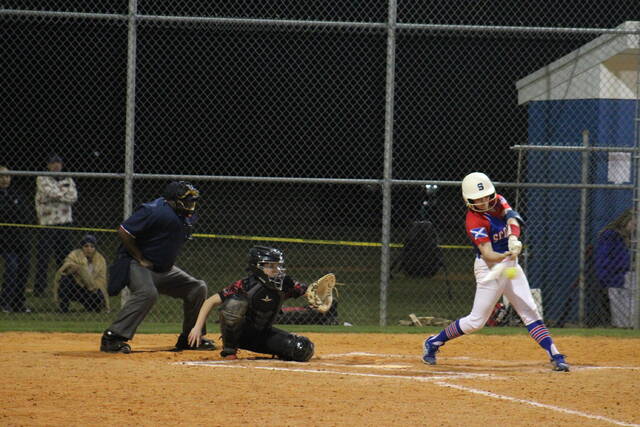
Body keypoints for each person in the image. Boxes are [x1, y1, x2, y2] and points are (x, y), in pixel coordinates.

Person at [422, 172, 570, 372]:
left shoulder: (498, 200)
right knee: (476, 322)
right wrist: (507, 253)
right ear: (469, 200)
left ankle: (555, 355)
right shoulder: (474, 221)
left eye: (486, 197)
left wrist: (514, 239)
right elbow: (488, 253)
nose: (484, 202)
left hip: (509, 268)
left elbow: (512, 219)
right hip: (490, 268)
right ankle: (434, 342)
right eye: (478, 199)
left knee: (529, 311)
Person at [100, 181, 215, 353]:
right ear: (172, 200)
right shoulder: (153, 210)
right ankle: (112, 337)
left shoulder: (185, 215)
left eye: (193, 200)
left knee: (197, 287)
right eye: (187, 200)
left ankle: (190, 338)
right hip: (137, 264)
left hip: (163, 269)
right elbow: (125, 230)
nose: (191, 204)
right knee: (147, 293)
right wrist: (139, 256)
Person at [188, 246, 315, 362]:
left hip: (263, 334)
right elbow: (210, 301)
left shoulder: (284, 285)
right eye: (271, 266)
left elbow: (309, 291)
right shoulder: (244, 286)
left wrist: (318, 298)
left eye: (278, 266)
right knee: (233, 304)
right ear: (257, 268)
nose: (276, 270)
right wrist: (197, 328)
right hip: (241, 334)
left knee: (302, 349)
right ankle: (229, 350)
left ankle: (276, 348)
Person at [34, 154, 78, 297]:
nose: (56, 166)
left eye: (58, 163)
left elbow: (73, 197)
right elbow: (49, 192)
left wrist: (58, 194)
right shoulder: (42, 178)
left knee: (64, 257)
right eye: (53, 163)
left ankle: (64, 287)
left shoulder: (68, 179)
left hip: (65, 223)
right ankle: (40, 289)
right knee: (43, 257)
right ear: (48, 165)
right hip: (47, 224)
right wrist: (63, 192)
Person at [594, 208, 637, 328]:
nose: (635, 227)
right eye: (634, 224)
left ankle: (631, 323)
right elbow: (606, 260)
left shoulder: (630, 238)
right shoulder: (611, 235)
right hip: (613, 276)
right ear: (625, 221)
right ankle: (624, 325)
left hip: (624, 275)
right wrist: (628, 266)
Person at [0, 166, 32, 313]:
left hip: (21, 240)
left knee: (24, 269)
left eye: (7, 176)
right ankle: (5, 302)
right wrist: (13, 209)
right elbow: (6, 213)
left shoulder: (16, 193)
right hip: (5, 241)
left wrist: (12, 209)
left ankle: (18, 303)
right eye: (2, 176)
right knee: (12, 269)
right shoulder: (10, 197)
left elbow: (25, 213)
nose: (5, 179)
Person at [52, 234, 109, 313]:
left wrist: (89, 281)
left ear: (95, 248)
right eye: (86, 246)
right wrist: (74, 269)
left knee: (99, 295)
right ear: (82, 247)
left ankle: (94, 307)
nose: (89, 249)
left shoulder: (100, 260)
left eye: (92, 246)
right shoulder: (74, 255)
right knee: (65, 280)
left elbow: (102, 281)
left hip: (92, 290)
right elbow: (65, 269)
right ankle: (63, 308)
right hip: (76, 287)